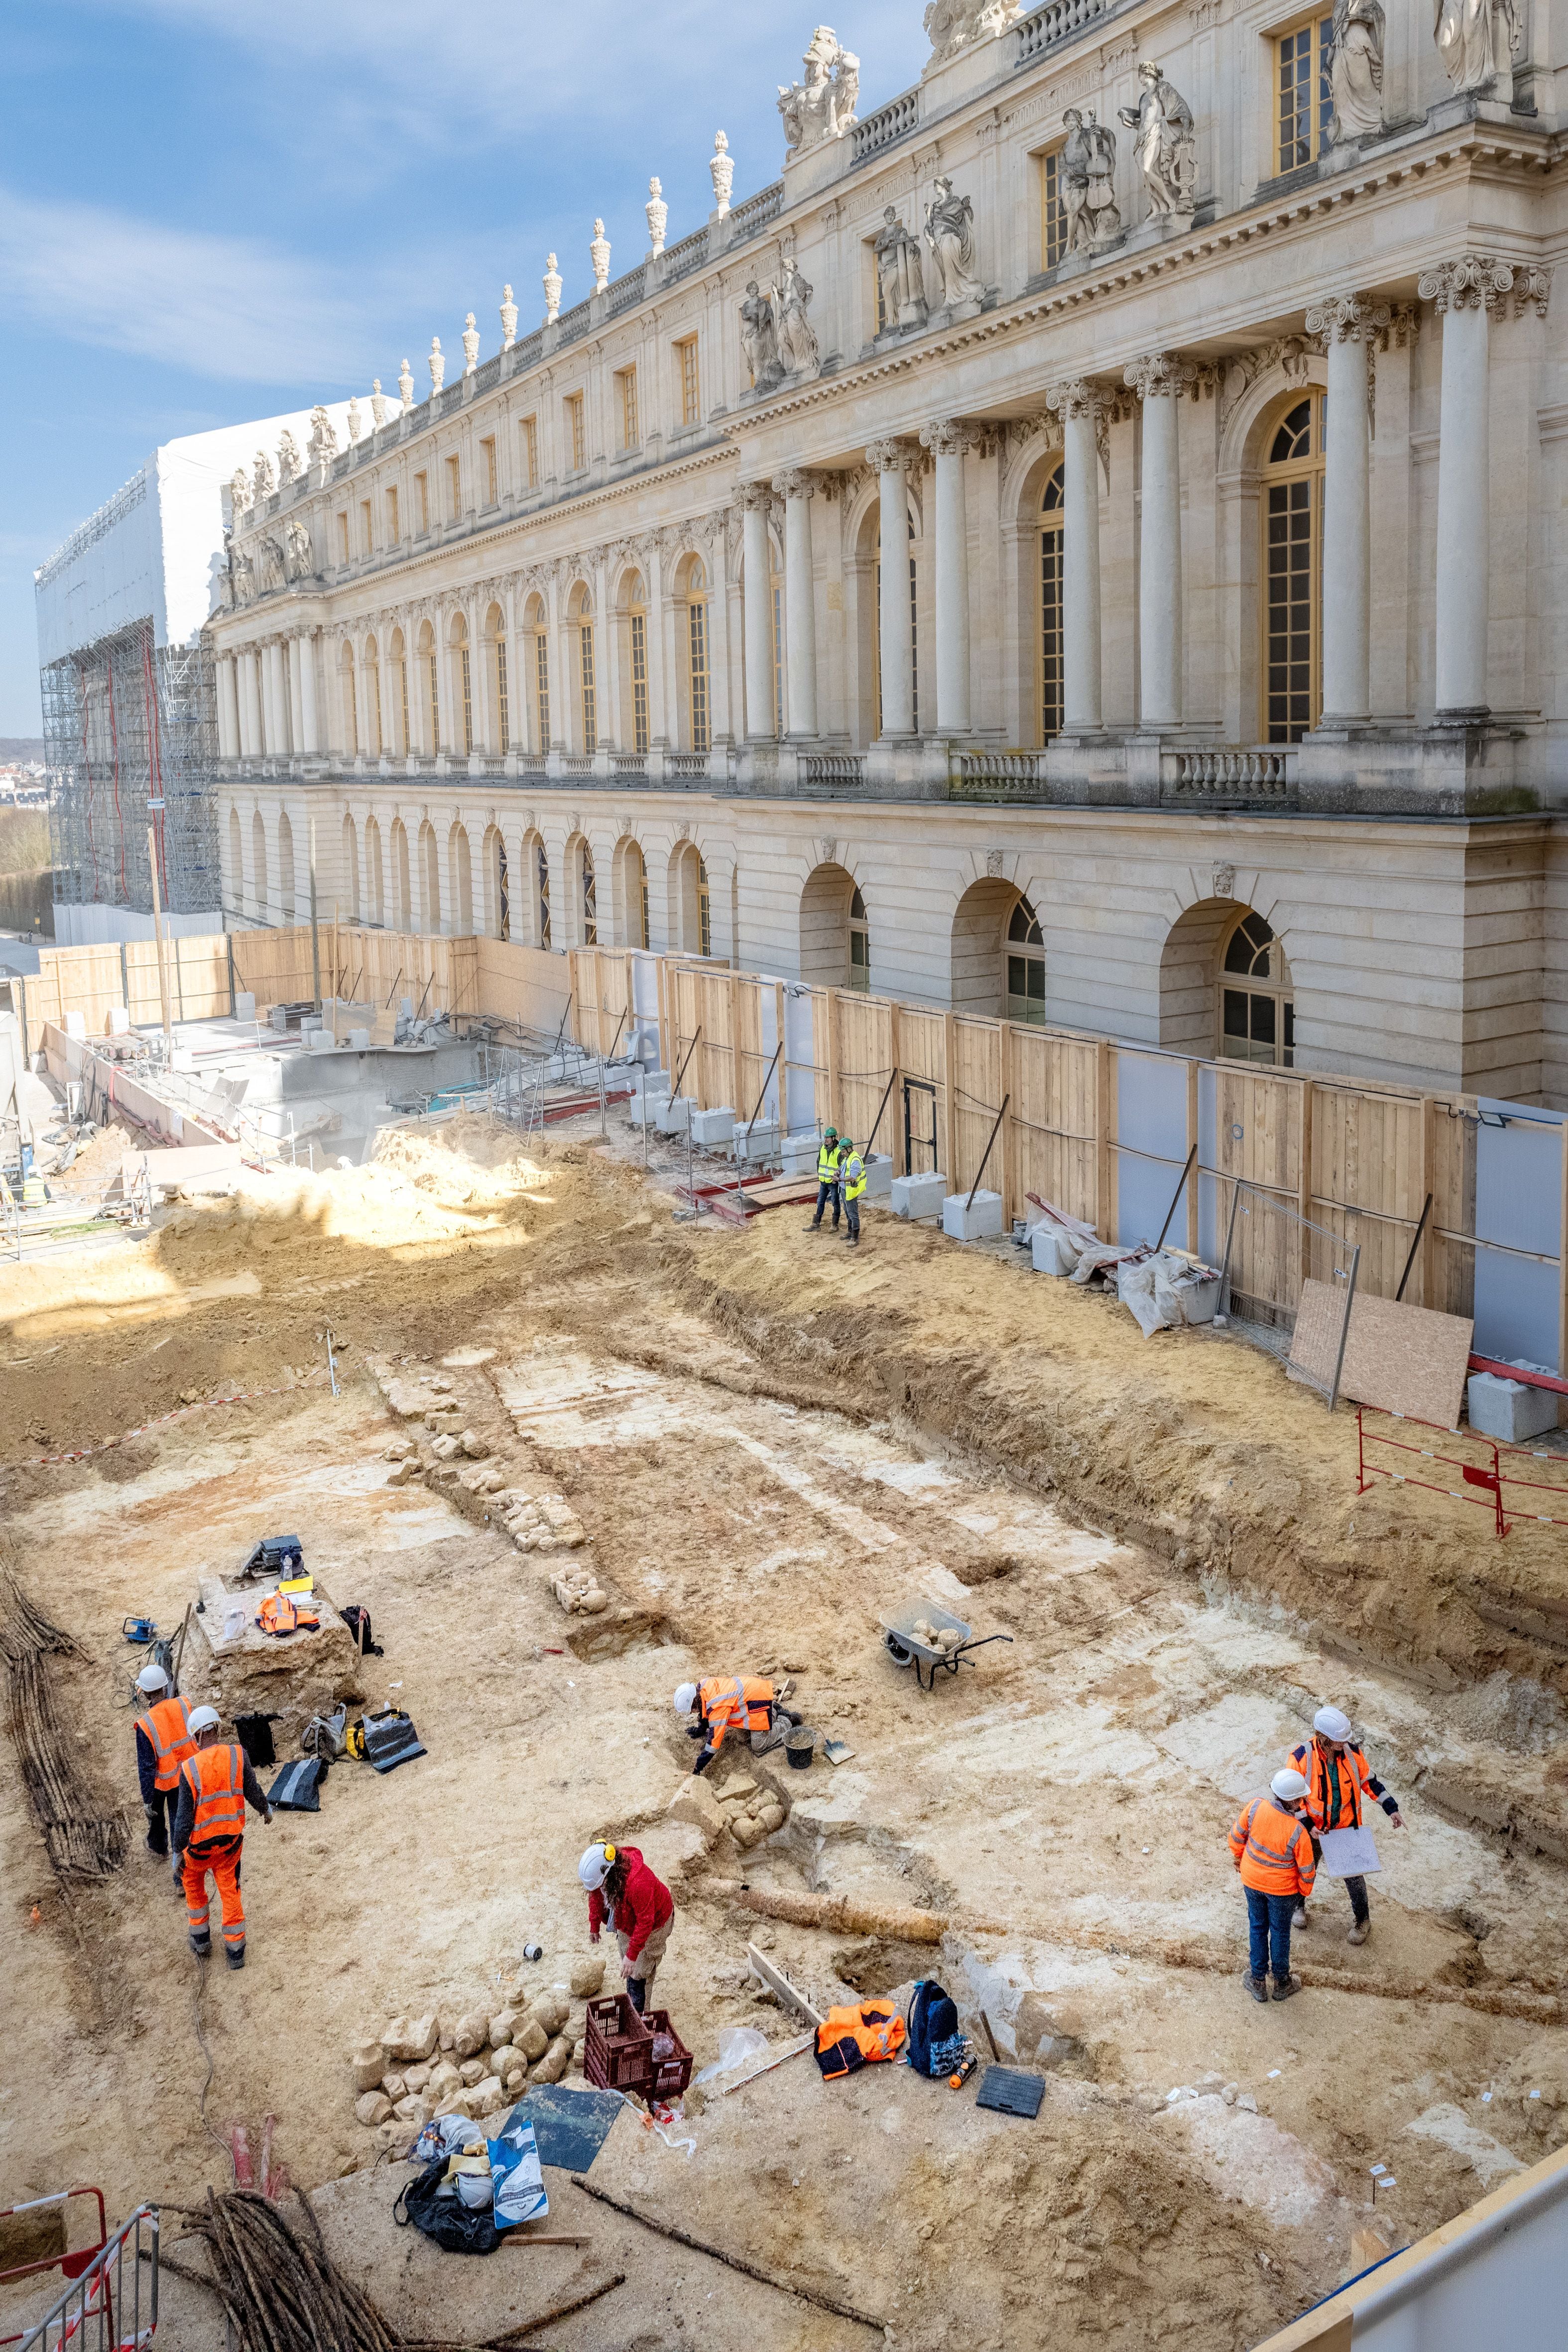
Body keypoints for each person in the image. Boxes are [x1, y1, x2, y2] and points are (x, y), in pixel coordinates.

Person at [1288, 1705, 1403, 1946]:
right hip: (1314, 1830)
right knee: (1303, 1869)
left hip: (1344, 1827)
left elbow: (1370, 1783)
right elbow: (1293, 1798)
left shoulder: (1352, 1753)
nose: (1345, 1745)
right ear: (1323, 1739)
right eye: (1339, 1741)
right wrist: (1308, 1824)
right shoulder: (1301, 1757)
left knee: (1354, 1878)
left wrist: (1391, 1808)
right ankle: (1298, 1908)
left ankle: (1363, 1920)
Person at [172, 1706, 272, 1970]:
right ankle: (236, 1951)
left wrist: (176, 1853)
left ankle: (201, 1941)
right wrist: (265, 1808)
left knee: (193, 1887)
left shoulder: (189, 1769)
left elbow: (182, 1819)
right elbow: (252, 1789)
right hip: (229, 1845)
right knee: (230, 1891)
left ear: (195, 1738)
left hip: (196, 1851)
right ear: (218, 1728)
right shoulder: (238, 1755)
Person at [1228, 1767, 1316, 2002]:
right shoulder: (1298, 1832)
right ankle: (1281, 1983)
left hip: (1252, 1881)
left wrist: (1240, 1858)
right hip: (1282, 1892)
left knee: (1257, 1927)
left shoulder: (1255, 1807)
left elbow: (1236, 1837)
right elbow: (1307, 1871)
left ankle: (1257, 1981)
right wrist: (1302, 1894)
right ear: (1297, 1802)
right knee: (1280, 1933)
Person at [580, 1841, 674, 2013]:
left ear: (610, 1875)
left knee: (640, 1971)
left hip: (655, 1924)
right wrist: (594, 1925)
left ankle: (640, 2016)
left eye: (600, 1886)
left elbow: (646, 1921)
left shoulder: (638, 1883)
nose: (598, 1891)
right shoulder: (605, 1874)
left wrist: (632, 1956)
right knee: (629, 1964)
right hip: (626, 1916)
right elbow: (594, 1895)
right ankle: (633, 2001)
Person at [132, 1659, 196, 1871]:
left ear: (147, 1694)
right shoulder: (184, 1705)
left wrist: (147, 1799)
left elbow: (147, 1767)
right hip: (186, 1774)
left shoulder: (146, 1724)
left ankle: (159, 1847)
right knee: (181, 1823)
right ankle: (181, 1878)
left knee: (156, 1815)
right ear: (165, 1686)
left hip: (162, 1781)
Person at [674, 1677, 803, 1775]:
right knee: (742, 1736)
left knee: (758, 1745)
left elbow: (713, 1745)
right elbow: (704, 1713)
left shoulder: (717, 1707)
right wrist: (700, 1730)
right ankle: (773, 1710)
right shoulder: (703, 1686)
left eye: (692, 1710)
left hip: (758, 1702)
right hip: (754, 1694)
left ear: (694, 1703)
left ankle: (786, 1720)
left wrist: (698, 1768)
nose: (693, 1712)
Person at [805, 1127, 846, 1233]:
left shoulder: (839, 1151)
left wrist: (836, 1179)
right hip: (824, 1182)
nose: (826, 1139)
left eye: (828, 1137)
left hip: (833, 1183)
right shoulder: (823, 1148)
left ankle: (835, 1224)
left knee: (836, 1203)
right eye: (825, 1137)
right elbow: (819, 1162)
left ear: (834, 1138)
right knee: (820, 1202)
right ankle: (816, 1224)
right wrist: (820, 1176)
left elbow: (842, 1166)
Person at [840, 1140, 866, 1247]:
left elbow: (853, 1177)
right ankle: (850, 1232)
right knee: (847, 1212)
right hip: (844, 1190)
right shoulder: (848, 1158)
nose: (842, 1153)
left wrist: (839, 1179)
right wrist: (838, 1171)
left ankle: (855, 1238)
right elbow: (844, 1168)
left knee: (853, 1214)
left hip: (851, 1191)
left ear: (849, 1149)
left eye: (843, 1151)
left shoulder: (855, 1160)